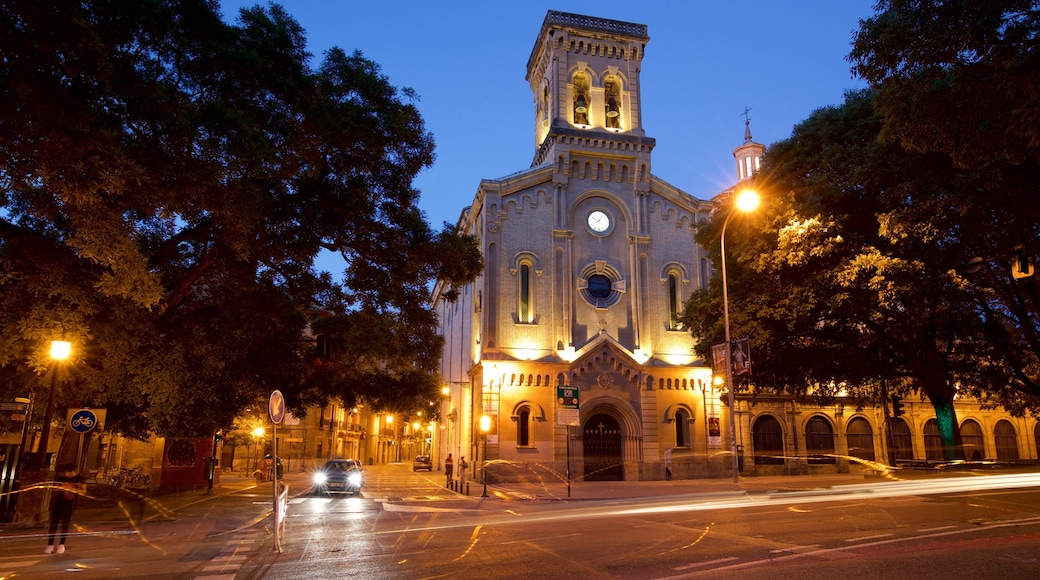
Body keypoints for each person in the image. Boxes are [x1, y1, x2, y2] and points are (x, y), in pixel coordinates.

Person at [45, 464, 86, 555]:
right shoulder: (60, 478)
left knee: (65, 524)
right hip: (58, 503)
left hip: (70, 504)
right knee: (54, 523)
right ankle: (50, 545)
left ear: (72, 471)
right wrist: (60, 488)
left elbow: (83, 491)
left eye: (67, 472)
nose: (65, 475)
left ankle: (61, 544)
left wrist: (72, 489)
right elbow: (54, 489)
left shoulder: (79, 479)